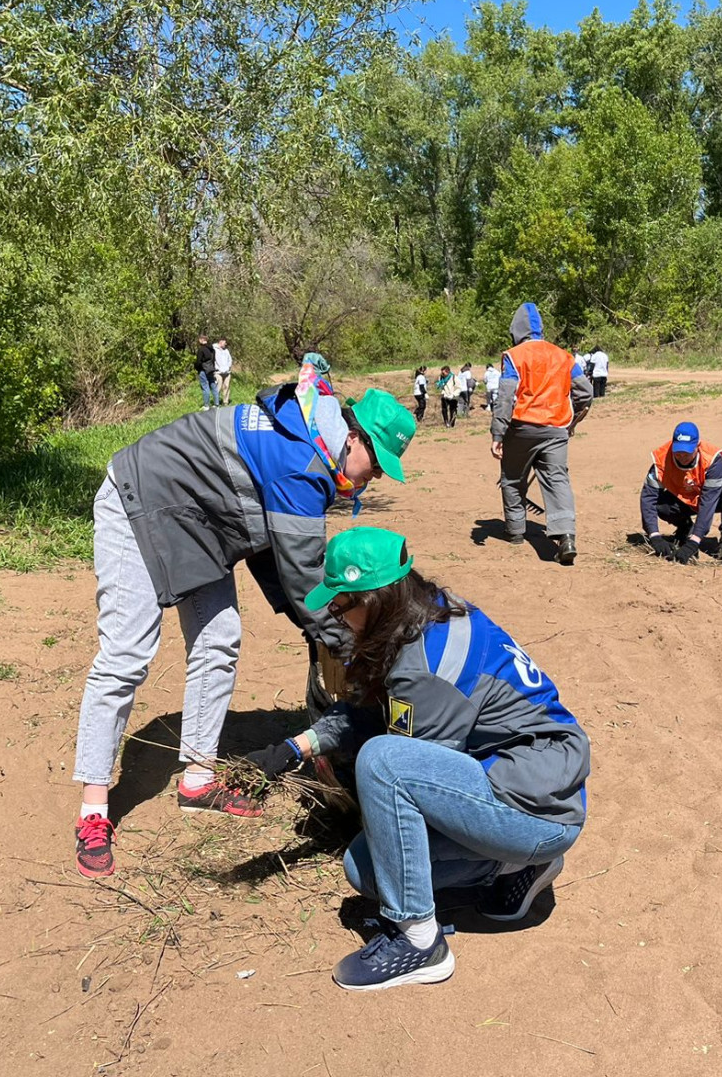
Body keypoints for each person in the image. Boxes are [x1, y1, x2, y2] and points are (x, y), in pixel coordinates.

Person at [70, 367, 418, 878]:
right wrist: (346, 645)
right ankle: (94, 809)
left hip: (199, 524)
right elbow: (302, 574)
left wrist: (314, 624)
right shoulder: (301, 461)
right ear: (353, 438)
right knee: (127, 654)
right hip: (139, 503)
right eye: (377, 465)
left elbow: (271, 552)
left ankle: (197, 778)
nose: (375, 478)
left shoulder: (310, 441)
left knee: (219, 640)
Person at [245, 527, 590, 990]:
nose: (336, 616)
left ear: (374, 597)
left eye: (341, 604)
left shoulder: (424, 671)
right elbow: (374, 709)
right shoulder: (426, 613)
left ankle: (418, 942)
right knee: (364, 867)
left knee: (383, 762)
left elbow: (409, 772)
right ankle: (514, 865)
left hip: (537, 807)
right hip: (523, 781)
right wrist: (295, 748)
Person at [491, 303, 592, 565]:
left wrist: (498, 433)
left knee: (513, 478)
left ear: (516, 330)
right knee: (557, 480)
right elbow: (586, 393)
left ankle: (515, 532)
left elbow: (505, 396)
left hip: (522, 428)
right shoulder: (564, 356)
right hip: (556, 429)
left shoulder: (514, 355)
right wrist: (573, 421)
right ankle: (566, 536)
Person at [641, 421, 722, 565]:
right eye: (678, 452)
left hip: (711, 499)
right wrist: (654, 536)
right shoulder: (661, 461)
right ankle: (685, 526)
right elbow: (648, 498)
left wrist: (694, 541)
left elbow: (708, 503)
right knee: (660, 504)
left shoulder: (712, 461)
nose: (682, 457)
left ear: (697, 446)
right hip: (683, 500)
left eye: (687, 453)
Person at [194, 334, 219, 410]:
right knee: (213, 386)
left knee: (205, 387)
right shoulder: (212, 350)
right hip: (211, 369)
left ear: (201, 340)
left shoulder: (201, 350)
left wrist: (197, 368)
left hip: (203, 370)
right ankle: (216, 404)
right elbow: (213, 360)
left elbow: (198, 362)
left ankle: (206, 405)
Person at [214, 338, 234, 406]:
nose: (225, 344)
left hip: (227, 372)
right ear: (220, 342)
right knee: (218, 387)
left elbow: (230, 360)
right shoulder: (214, 349)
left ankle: (225, 402)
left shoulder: (226, 351)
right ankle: (216, 402)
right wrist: (216, 368)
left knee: (226, 387)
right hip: (218, 372)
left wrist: (228, 367)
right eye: (224, 342)